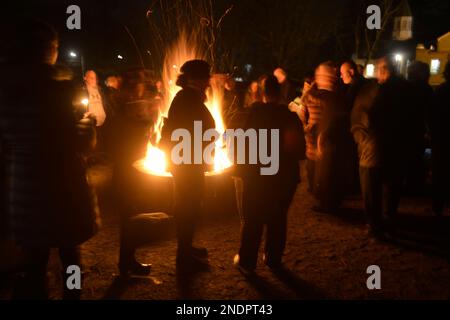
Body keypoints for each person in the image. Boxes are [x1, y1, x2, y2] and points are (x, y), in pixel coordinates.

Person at [0, 20, 99, 299]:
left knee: (34, 259)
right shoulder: (58, 89)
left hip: (23, 187)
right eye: (55, 46)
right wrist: (88, 128)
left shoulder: (6, 89)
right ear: (49, 49)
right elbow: (78, 142)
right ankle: (71, 296)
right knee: (69, 254)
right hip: (61, 185)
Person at [234, 75, 305, 275]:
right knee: (278, 218)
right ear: (280, 93)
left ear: (262, 93)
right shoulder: (289, 117)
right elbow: (299, 150)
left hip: (256, 176)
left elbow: (241, 145)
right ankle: (273, 258)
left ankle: (247, 260)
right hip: (283, 178)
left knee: (253, 218)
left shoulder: (252, 115)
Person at [159, 60, 215, 273]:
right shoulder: (188, 99)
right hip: (188, 164)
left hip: (187, 162)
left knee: (189, 206)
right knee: (188, 207)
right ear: (198, 80)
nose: (209, 81)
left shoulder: (187, 98)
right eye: (206, 77)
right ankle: (183, 257)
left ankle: (187, 248)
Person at [351, 56, 411, 238]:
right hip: (395, 149)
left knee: (372, 190)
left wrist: (360, 138)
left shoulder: (372, 91)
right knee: (391, 189)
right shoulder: (407, 91)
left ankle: (374, 224)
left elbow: (359, 117)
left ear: (381, 70)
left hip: (373, 151)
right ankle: (387, 220)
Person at [312, 62, 351, 212]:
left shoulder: (334, 98)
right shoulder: (334, 96)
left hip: (330, 141)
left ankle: (329, 203)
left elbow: (335, 118)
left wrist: (323, 136)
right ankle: (328, 201)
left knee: (328, 172)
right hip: (329, 139)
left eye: (321, 76)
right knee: (327, 171)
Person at [405, 62, 433, 195]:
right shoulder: (426, 89)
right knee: (416, 157)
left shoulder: (406, 88)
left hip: (407, 129)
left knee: (410, 158)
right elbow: (429, 111)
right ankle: (415, 184)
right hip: (417, 130)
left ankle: (410, 184)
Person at [429, 63, 450, 216]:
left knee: (440, 172)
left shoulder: (441, 91)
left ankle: (437, 205)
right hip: (442, 137)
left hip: (441, 138)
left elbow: (432, 115)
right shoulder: (441, 91)